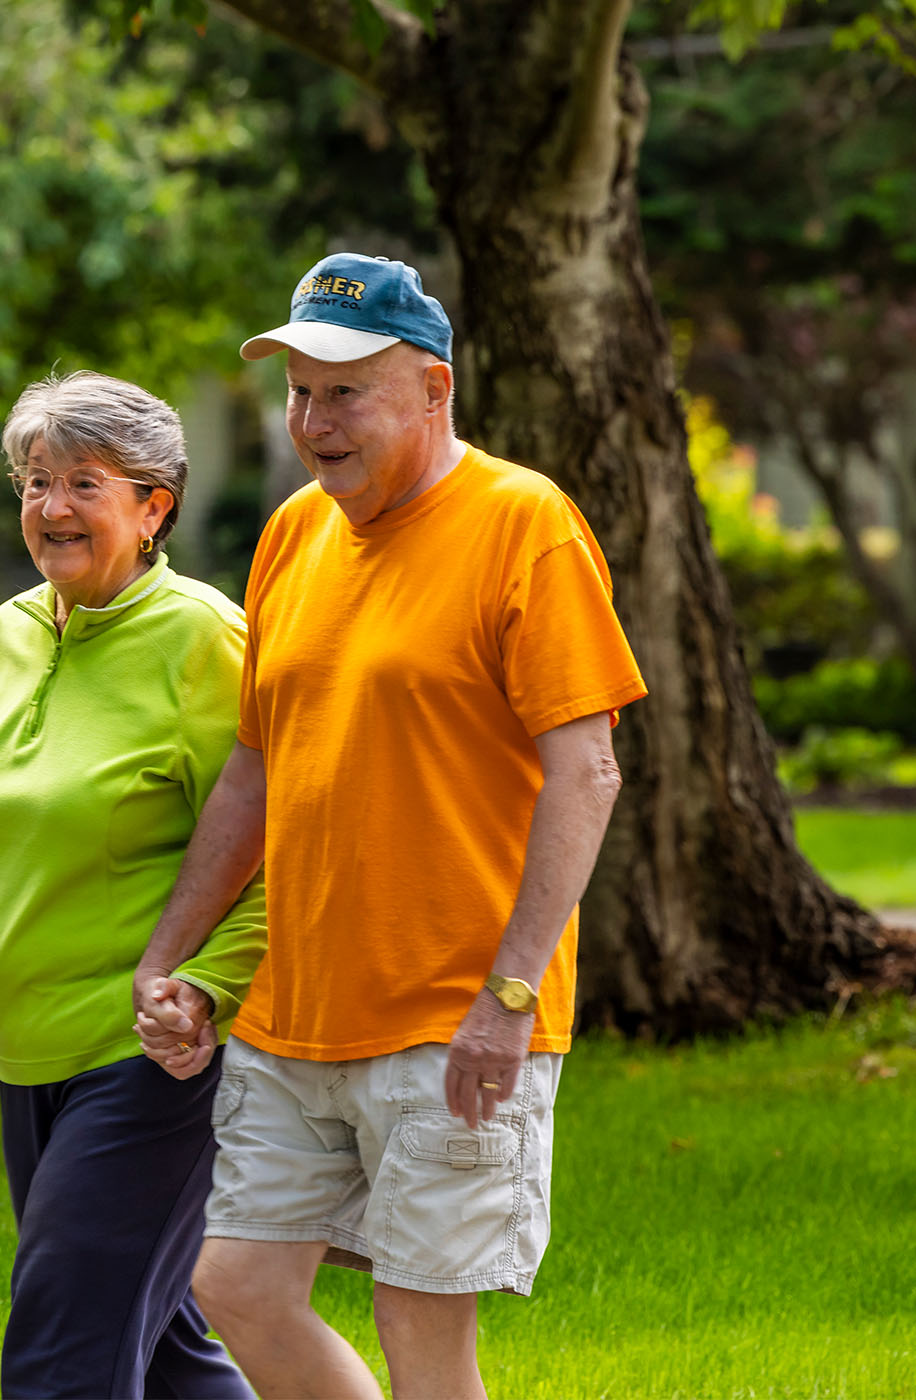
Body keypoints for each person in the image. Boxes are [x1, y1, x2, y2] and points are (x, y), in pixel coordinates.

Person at [132, 253, 649, 1400]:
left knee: (423, 1337)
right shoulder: (291, 538)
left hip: (452, 1011)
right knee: (236, 1281)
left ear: (433, 390)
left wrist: (508, 998)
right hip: (294, 1009)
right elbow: (252, 775)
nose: (313, 421)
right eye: (298, 391)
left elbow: (588, 771)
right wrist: (170, 952)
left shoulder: (524, 524)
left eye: (345, 391)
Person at [0, 371, 265, 1399]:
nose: (51, 507)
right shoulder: (8, 635)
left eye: (82, 482)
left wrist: (206, 986)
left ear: (154, 505)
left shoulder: (206, 639)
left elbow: (279, 851)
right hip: (33, 1058)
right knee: (159, 1352)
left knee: (62, 1349)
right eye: (34, 481)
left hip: (151, 1053)